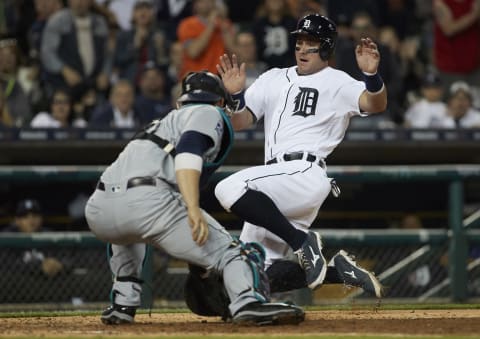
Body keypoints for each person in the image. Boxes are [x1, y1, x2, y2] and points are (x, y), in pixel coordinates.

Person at [84, 70, 305, 325]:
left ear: (180, 101)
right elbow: (188, 154)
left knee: (127, 234)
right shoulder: (209, 112)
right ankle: (248, 302)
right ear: (221, 102)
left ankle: (123, 304)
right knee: (237, 254)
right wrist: (192, 208)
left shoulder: (162, 122)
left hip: (100, 209)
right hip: (149, 203)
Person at [214, 14, 386, 296]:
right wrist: (235, 97)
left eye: (312, 43)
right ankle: (335, 271)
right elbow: (240, 121)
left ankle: (302, 242)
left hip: (304, 173)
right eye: (300, 42)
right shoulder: (272, 77)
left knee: (228, 187)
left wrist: (371, 75)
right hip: (276, 184)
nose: (303, 49)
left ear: (327, 48)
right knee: (251, 277)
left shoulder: (337, 81)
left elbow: (375, 104)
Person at [2, 199, 65, 278]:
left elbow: (68, 258)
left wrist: (59, 264)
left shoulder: (50, 236)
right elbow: (6, 265)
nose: (31, 220)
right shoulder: (8, 238)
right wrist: (39, 267)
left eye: (35, 215)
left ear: (41, 218)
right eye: (25, 216)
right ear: (17, 221)